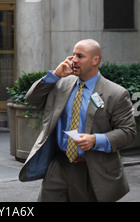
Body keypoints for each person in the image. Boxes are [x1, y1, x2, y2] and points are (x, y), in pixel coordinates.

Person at [19, 39, 136, 202]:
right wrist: (54, 75)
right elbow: (33, 99)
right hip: (58, 165)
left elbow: (128, 132)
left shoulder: (115, 94)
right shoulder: (61, 84)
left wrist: (96, 140)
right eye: (73, 55)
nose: (74, 60)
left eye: (80, 56)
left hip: (93, 169)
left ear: (95, 61)